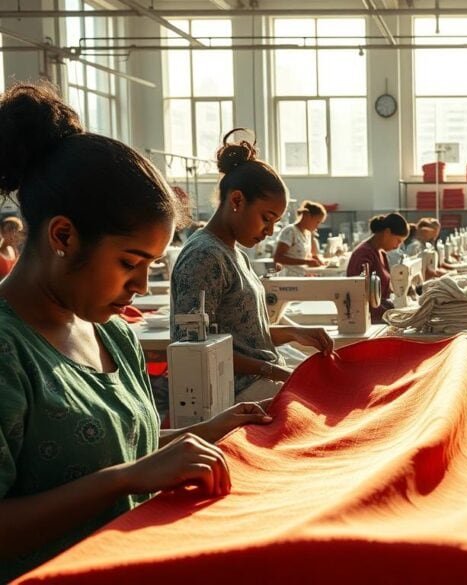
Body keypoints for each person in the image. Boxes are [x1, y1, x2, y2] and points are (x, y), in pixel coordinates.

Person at [0, 83, 273, 580]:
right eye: (130, 262)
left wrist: (205, 433)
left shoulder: (112, 336)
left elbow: (124, 448)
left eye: (151, 265)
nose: (141, 286)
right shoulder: (7, 351)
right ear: (63, 236)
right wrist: (125, 479)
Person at [171, 129, 333, 404]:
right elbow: (196, 349)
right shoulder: (204, 257)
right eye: (266, 218)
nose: (269, 231)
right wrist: (271, 369)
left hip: (257, 381)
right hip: (234, 393)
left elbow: (245, 337)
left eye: (275, 223)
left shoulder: (234, 254)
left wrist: (294, 333)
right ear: (237, 201)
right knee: (332, 405)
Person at [347, 212, 409, 322]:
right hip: (367, 319)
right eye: (398, 241)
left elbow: (385, 292)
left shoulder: (381, 253)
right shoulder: (363, 254)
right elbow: (361, 295)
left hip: (380, 316)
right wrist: (393, 314)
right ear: (387, 232)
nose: (397, 246)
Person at [273, 199, 327, 276]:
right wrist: (306, 262)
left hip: (301, 278)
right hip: (289, 279)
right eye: (317, 222)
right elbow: (278, 258)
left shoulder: (307, 234)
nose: (317, 226)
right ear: (307, 216)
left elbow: (306, 255)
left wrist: (315, 260)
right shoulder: (290, 231)